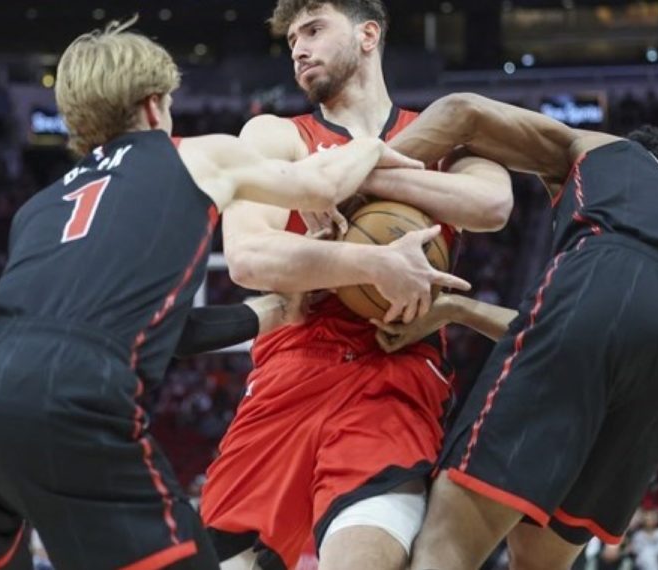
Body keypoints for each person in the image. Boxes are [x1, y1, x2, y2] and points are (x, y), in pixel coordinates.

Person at [0, 19, 459, 570]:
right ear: (152, 105)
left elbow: (155, 327)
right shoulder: (196, 153)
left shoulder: (40, 206)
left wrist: (271, 313)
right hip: (63, 390)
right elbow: (323, 185)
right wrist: (367, 146)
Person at [199, 1, 513, 569]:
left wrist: (348, 176)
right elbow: (248, 258)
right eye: (293, 38)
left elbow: (492, 203)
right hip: (289, 369)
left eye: (315, 30)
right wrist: (372, 264)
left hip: (396, 368)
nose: (299, 48)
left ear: (368, 35)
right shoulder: (276, 135)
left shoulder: (444, 138)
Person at [367, 93, 658, 569]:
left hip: (610, 277)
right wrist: (455, 309)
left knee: (447, 544)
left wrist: (354, 187)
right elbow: (574, 325)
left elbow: (463, 112)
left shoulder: (613, 151)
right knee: (540, 561)